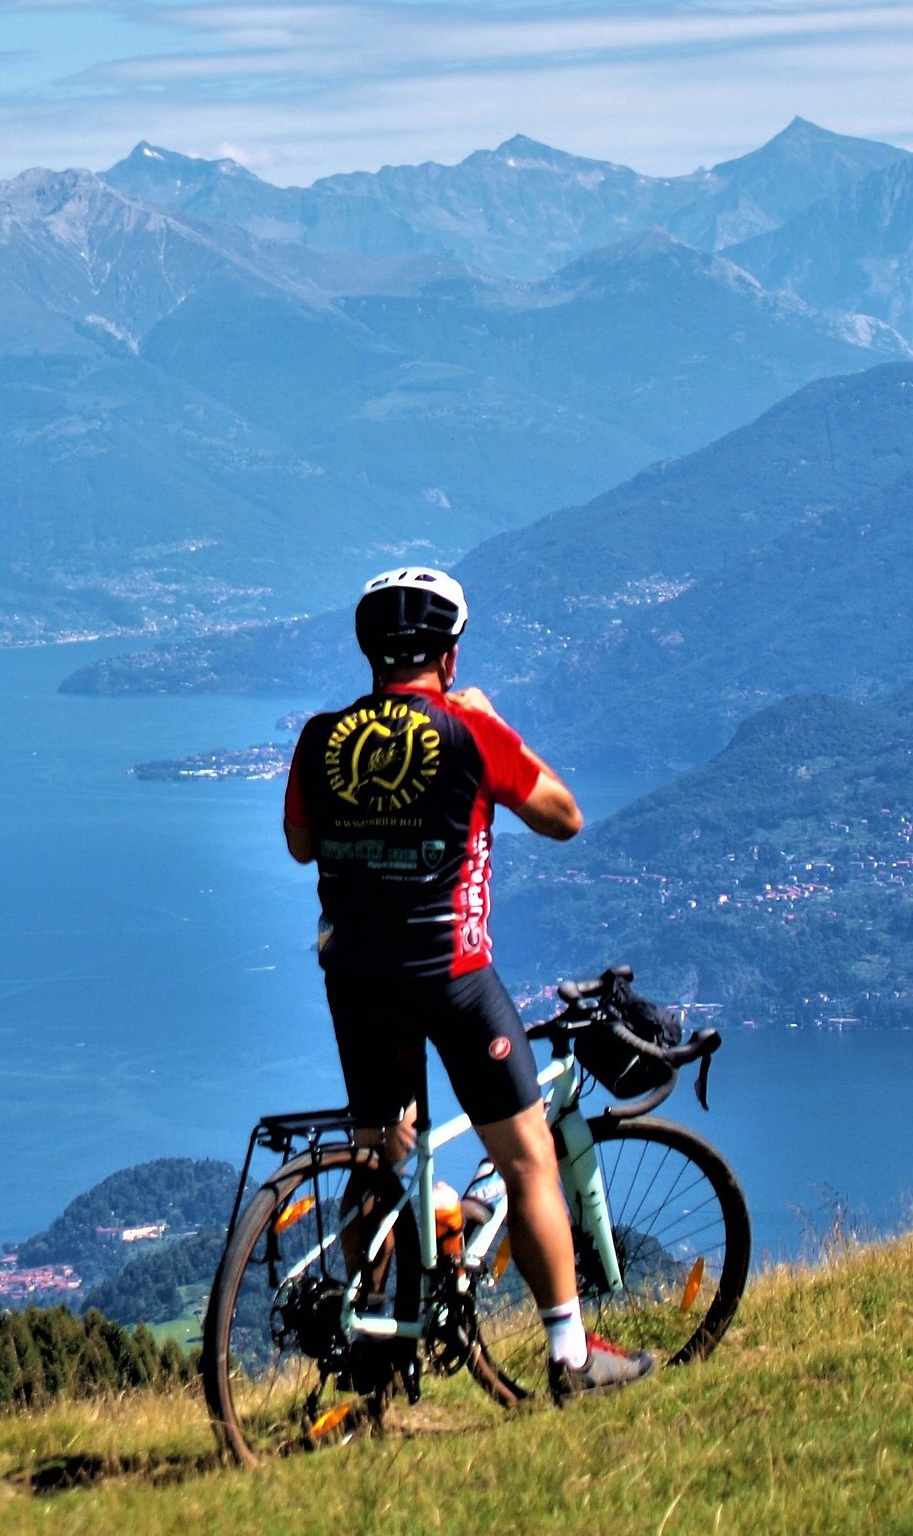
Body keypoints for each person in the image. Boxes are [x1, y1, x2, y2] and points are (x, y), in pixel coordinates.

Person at [281, 566, 657, 1404]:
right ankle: (568, 1355)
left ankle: (373, 1346)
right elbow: (564, 816)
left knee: (382, 1157)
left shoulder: (320, 738)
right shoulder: (467, 729)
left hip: (355, 980)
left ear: (369, 653)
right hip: (451, 977)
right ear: (448, 656)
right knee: (528, 1162)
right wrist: (491, 725)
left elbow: (301, 845)